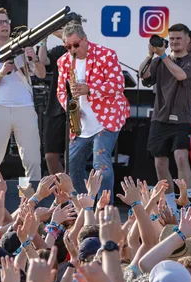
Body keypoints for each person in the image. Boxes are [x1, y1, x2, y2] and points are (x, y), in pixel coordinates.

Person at [57, 23, 130, 203]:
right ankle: (84, 204)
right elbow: (60, 91)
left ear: (85, 40)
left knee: (101, 164)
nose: (72, 50)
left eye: (75, 45)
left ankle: (105, 209)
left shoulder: (106, 54)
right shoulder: (64, 61)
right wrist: (70, 107)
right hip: (81, 123)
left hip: (106, 119)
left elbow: (118, 84)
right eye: (68, 46)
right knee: (72, 164)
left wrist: (90, 89)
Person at [0, 7, 46, 181]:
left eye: (6, 21)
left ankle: (31, 203)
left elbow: (41, 74)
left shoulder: (22, 47)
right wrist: (1, 73)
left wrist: (34, 58)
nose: (5, 25)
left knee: (32, 160)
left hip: (25, 108)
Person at [139, 23, 191, 212]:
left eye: (178, 38)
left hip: (181, 118)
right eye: (171, 38)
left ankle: (186, 199)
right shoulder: (159, 60)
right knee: (159, 162)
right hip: (159, 117)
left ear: (187, 40)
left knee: (181, 157)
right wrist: (151, 54)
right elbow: (143, 74)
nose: (174, 42)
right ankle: (170, 204)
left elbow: (180, 75)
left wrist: (163, 55)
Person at [38, 15, 85, 175]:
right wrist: (43, 39)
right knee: (50, 155)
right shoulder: (59, 51)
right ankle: (62, 192)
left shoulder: (83, 50)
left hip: (77, 106)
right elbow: (43, 61)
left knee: (71, 155)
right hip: (56, 105)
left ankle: (74, 192)